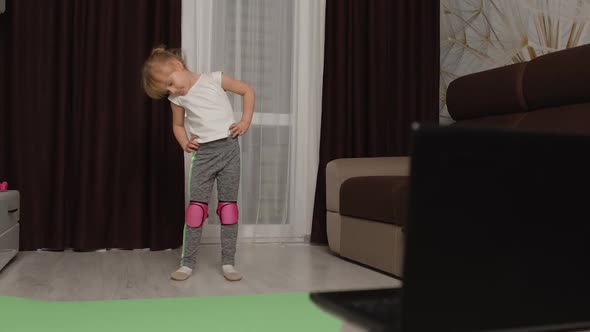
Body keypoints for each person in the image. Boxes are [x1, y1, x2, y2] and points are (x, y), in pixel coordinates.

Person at [142, 46, 255, 281]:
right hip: (203, 155)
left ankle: (228, 262)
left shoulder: (215, 79)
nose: (172, 90)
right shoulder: (177, 98)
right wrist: (184, 143)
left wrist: (245, 120)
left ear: (177, 65)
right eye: (168, 89)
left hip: (229, 150)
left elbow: (247, 91)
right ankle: (187, 263)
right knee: (195, 211)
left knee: (228, 209)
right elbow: (178, 126)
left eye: (171, 83)